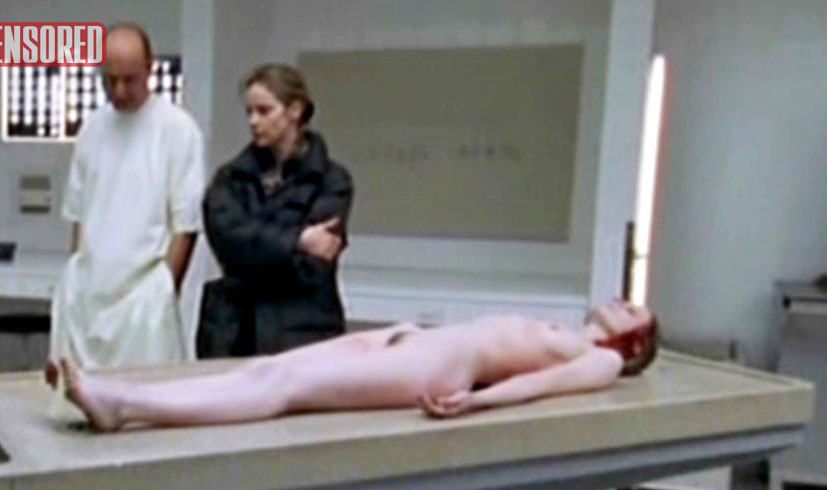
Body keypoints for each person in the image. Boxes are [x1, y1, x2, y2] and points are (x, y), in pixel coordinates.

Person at [59, 301, 659, 432]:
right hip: (418, 343)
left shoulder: (602, 360)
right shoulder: (572, 333)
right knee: (268, 368)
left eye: (632, 310)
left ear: (633, 343)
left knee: (283, 387)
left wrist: (476, 402)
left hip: (441, 368)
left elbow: (538, 386)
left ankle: (125, 406)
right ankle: (122, 394)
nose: (620, 300)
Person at [46, 23, 204, 387]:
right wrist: (77, 281)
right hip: (87, 297)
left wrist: (164, 292)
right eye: (110, 80)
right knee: (77, 400)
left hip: (143, 301)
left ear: (150, 69)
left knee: (147, 401)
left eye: (129, 80)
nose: (119, 91)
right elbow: (78, 214)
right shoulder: (92, 129)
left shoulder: (177, 130)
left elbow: (186, 225)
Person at [197, 63, 353, 358]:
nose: (253, 121)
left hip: (303, 332)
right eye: (249, 112)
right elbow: (228, 245)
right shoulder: (230, 178)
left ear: (295, 110)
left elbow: (313, 265)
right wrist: (298, 239)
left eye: (264, 111)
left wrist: (256, 245)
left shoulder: (332, 181)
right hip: (235, 332)